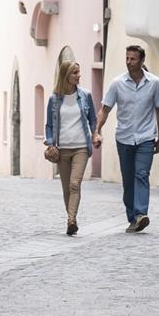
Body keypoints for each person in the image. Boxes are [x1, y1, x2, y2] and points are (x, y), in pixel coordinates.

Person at [95, 43, 159, 232]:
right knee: (128, 180)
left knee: (141, 174)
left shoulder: (154, 83)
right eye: (127, 58)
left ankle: (141, 213)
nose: (129, 62)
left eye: (133, 59)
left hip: (145, 137)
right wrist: (97, 130)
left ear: (142, 61)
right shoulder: (117, 83)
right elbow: (105, 109)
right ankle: (133, 218)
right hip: (124, 137)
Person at [42, 52, 96, 235]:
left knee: (75, 184)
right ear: (66, 75)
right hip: (62, 149)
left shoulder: (85, 96)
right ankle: (72, 219)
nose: (78, 76)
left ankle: (71, 220)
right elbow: (49, 125)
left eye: (79, 72)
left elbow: (93, 120)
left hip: (81, 147)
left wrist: (95, 135)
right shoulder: (54, 99)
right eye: (75, 73)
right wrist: (50, 143)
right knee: (66, 188)